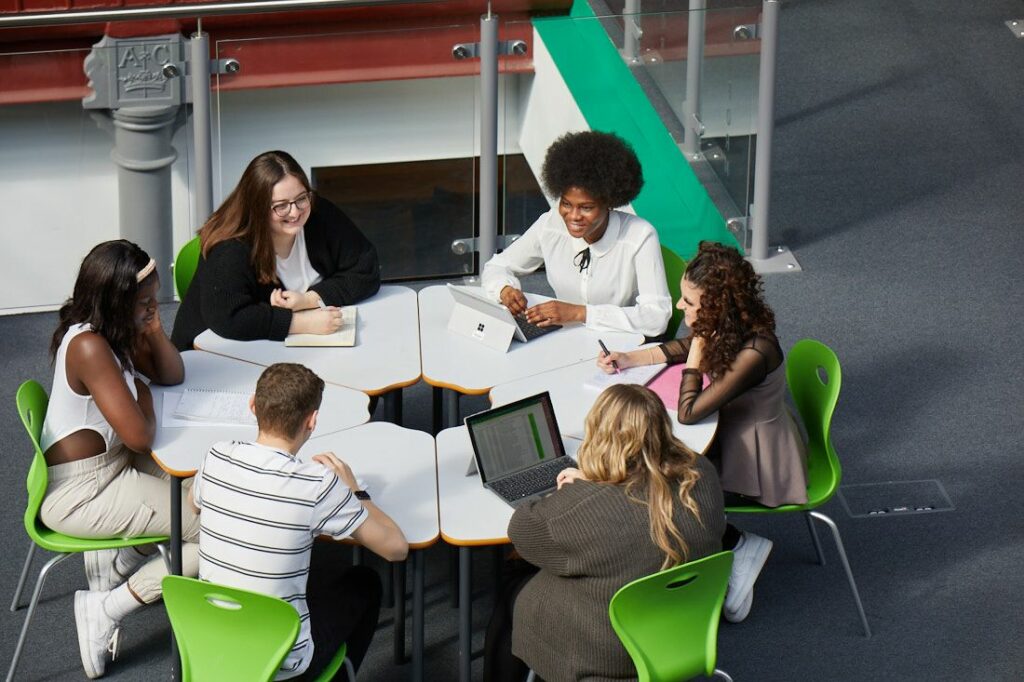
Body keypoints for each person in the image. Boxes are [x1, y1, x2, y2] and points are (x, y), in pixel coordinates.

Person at [598, 240, 809, 622]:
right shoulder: (732, 326)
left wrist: (695, 361)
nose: (681, 307)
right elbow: (680, 347)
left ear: (716, 308)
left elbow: (690, 412)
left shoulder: (756, 351)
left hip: (757, 463)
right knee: (658, 467)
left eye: (689, 303)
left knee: (663, 484)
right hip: (734, 435)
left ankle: (738, 544)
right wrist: (631, 358)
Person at [483, 384, 725, 682]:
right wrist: (599, 479)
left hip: (608, 653)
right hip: (680, 630)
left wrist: (585, 484)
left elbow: (522, 530)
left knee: (513, 586)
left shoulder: (586, 510)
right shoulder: (701, 472)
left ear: (600, 434)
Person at [190, 363, 408, 681]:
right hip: (281, 664)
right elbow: (396, 549)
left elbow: (192, 506)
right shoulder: (316, 485)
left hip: (211, 645)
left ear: (253, 406)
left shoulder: (216, 456)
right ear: (312, 421)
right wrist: (356, 492)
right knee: (365, 582)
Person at [39, 240, 196, 679]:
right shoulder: (90, 346)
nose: (152, 308)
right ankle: (107, 608)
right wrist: (141, 393)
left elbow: (172, 373)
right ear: (113, 301)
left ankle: (120, 560)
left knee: (207, 489)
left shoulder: (113, 328)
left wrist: (152, 327)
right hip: (83, 492)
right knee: (220, 526)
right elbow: (141, 436)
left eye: (156, 299)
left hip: (112, 466)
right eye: (143, 303)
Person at [171, 150, 381, 350]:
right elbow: (228, 318)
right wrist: (301, 323)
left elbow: (366, 269)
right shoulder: (230, 248)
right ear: (257, 207)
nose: (295, 211)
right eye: (281, 205)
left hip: (286, 351)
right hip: (212, 358)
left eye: (301, 198)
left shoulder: (317, 212)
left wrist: (309, 299)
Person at [480, 130, 672, 338]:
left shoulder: (640, 236)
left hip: (619, 345)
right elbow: (497, 266)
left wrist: (580, 313)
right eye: (566, 204)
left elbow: (656, 318)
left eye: (586, 207)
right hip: (565, 338)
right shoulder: (550, 225)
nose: (573, 216)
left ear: (609, 202)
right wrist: (505, 289)